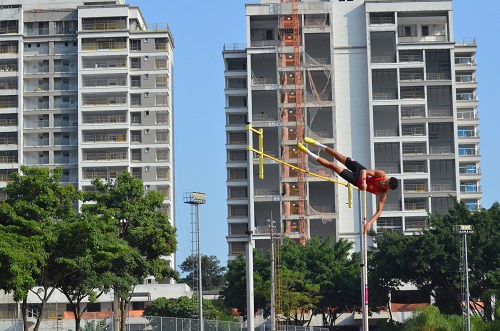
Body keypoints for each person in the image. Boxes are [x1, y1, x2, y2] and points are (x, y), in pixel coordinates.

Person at [297, 137, 398, 229]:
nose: (383, 184)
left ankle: (306, 151)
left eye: (385, 185)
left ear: (388, 188)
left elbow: (379, 212)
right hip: (359, 170)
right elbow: (364, 172)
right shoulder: (381, 174)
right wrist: (364, 183)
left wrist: (370, 223)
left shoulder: (382, 194)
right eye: (385, 182)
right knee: (338, 156)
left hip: (355, 180)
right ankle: (316, 143)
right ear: (387, 178)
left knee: (333, 166)